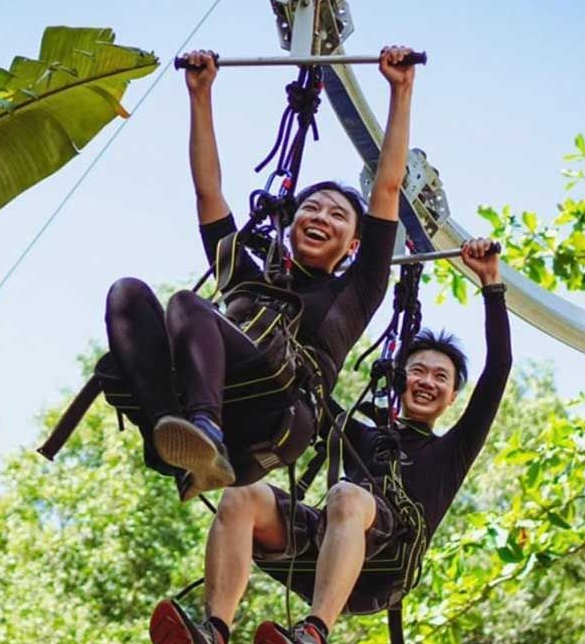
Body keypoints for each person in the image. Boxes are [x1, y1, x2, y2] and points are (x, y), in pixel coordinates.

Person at [149, 238, 511, 644]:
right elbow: (309, 400)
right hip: (328, 547)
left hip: (384, 567)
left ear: (453, 396)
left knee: (346, 495)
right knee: (243, 495)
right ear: (399, 380)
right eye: (418, 371)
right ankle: (213, 639)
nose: (426, 381)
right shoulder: (361, 435)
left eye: (441, 378)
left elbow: (498, 371)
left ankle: (316, 638)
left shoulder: (453, 450)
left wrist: (491, 285)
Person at [104, 46, 417, 503]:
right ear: (290, 225)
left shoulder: (355, 290)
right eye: (311, 208)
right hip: (226, 406)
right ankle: (177, 439)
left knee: (187, 305)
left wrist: (401, 91)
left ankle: (203, 432)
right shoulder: (249, 276)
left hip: (278, 414)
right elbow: (208, 192)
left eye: (336, 216)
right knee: (126, 294)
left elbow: (388, 187)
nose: (321, 217)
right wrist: (199, 96)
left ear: (353, 245)